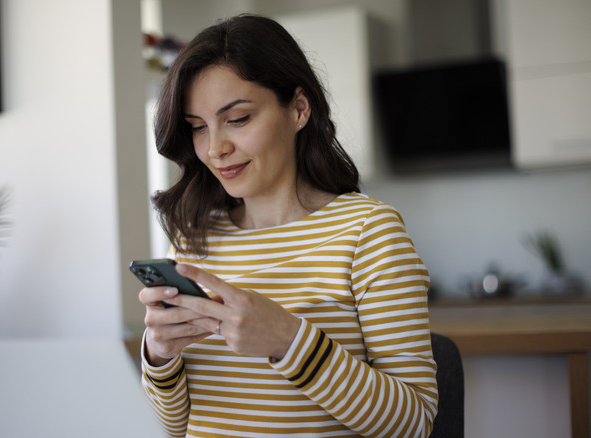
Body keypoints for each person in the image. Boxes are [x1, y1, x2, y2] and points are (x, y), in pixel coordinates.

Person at [138, 14, 438, 438]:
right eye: (198, 128)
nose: (216, 149)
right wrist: (159, 356)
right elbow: (173, 426)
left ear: (299, 108)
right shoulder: (194, 242)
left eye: (238, 119)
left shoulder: (369, 232)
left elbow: (414, 424)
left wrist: (289, 340)